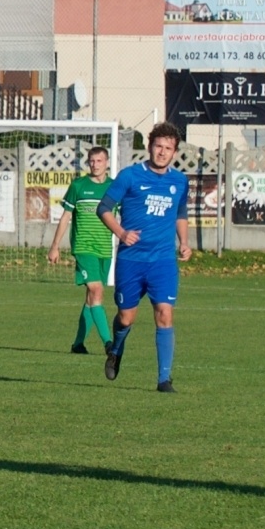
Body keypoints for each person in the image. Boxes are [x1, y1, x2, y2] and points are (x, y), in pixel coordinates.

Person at [98, 123, 191, 392]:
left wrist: (184, 242)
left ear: (174, 152)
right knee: (126, 318)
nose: (162, 152)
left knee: (164, 313)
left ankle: (164, 380)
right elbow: (104, 208)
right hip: (131, 260)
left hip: (162, 261)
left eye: (168, 148)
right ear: (150, 146)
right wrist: (121, 232)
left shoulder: (179, 181)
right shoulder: (129, 176)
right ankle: (115, 349)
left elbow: (181, 213)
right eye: (158, 146)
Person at [46, 146, 114, 354]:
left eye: (99, 161)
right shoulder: (78, 186)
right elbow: (66, 216)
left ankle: (78, 344)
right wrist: (55, 245)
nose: (95, 165)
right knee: (97, 290)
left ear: (107, 163)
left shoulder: (113, 187)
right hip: (84, 247)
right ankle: (109, 344)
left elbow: (122, 214)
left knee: (91, 298)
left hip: (105, 248)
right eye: (92, 161)